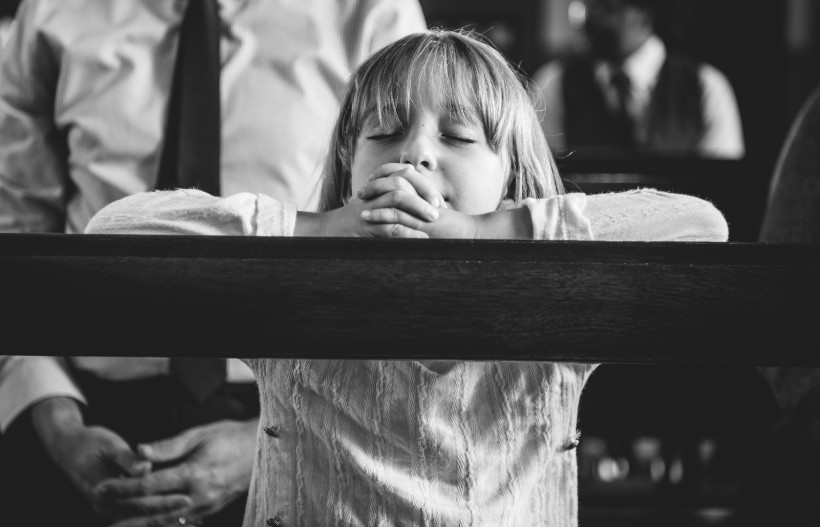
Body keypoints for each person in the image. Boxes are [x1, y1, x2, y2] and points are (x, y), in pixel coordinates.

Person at [86, 29, 729, 526]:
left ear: (511, 176)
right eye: (386, 132)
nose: (415, 152)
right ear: (351, 163)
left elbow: (701, 226)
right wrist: (317, 228)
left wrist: (489, 233)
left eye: (458, 136)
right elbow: (114, 231)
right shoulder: (294, 281)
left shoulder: (552, 286)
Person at [0, 1, 426, 526]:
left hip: (307, 423)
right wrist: (52, 416)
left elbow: (401, 254)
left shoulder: (372, 11)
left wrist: (276, 437)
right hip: (83, 413)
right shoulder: (51, 12)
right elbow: (13, 243)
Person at [533, 0, 745, 159]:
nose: (590, 19)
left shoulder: (707, 86)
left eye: (608, 8)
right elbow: (545, 177)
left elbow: (722, 184)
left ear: (644, 12)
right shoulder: (553, 82)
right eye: (587, 6)